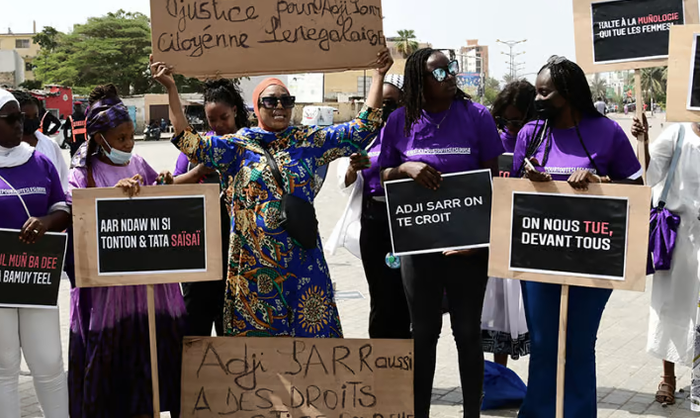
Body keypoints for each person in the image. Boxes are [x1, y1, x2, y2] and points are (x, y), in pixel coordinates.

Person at [152, 49, 390, 337]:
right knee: (257, 356)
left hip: (303, 263)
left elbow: (362, 129)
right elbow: (187, 141)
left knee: (311, 347)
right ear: (256, 108)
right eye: (270, 100)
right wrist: (171, 88)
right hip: (253, 269)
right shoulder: (237, 146)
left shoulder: (308, 140)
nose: (279, 106)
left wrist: (379, 75)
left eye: (286, 100)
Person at [513, 56, 643, 418]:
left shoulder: (607, 132)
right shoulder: (530, 134)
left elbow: (636, 189)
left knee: (578, 345)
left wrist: (598, 182)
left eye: (544, 93)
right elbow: (511, 194)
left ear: (567, 94)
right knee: (544, 344)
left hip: (593, 257)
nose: (537, 100)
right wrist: (529, 180)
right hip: (539, 256)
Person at [380, 49, 504, 418]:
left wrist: (477, 241)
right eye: (439, 73)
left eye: (452, 69)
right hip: (418, 247)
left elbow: (491, 181)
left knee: (467, 335)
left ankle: (471, 415)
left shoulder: (477, 116)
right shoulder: (400, 121)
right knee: (424, 333)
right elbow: (382, 176)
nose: (450, 76)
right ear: (420, 81)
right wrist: (406, 167)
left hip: (467, 249)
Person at [66, 84, 184, 418]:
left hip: (148, 286)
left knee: (151, 365)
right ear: (98, 138)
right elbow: (77, 216)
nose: (129, 145)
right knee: (111, 370)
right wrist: (111, 196)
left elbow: (160, 202)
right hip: (107, 293)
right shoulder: (82, 174)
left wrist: (162, 183)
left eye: (132, 136)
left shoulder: (140, 162)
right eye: (121, 139)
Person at [0, 88, 70, 418]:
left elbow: (63, 208)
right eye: (12, 118)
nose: (22, 124)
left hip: (36, 278)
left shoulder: (39, 159)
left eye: (24, 118)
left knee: (49, 362)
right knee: (4, 368)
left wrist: (45, 222)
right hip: (0, 284)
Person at [327, 74, 411, 339]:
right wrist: (352, 168)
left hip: (409, 222)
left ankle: (409, 363)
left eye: (392, 102)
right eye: (381, 103)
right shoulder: (366, 136)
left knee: (407, 294)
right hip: (373, 224)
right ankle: (381, 361)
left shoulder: (414, 133)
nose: (385, 109)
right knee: (381, 295)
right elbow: (345, 181)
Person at [173, 79, 250, 337]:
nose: (217, 126)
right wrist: (198, 172)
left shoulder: (250, 144)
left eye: (223, 118)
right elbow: (173, 186)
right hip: (199, 251)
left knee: (233, 332)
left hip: (240, 252)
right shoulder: (198, 148)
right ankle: (195, 378)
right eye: (211, 120)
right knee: (195, 327)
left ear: (236, 111)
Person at [632, 115, 700, 407]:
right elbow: (649, 174)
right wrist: (643, 141)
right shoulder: (679, 134)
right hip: (678, 237)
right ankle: (667, 377)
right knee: (670, 305)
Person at [482, 80, 536, 367]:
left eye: (518, 121)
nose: (511, 128)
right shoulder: (489, 141)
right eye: (505, 120)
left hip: (529, 239)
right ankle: (498, 374)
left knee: (533, 311)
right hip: (494, 237)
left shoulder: (543, 141)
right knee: (497, 310)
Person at [14, 91, 69, 191]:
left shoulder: (50, 145)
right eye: (26, 117)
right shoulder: (6, 147)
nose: (32, 120)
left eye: (35, 116)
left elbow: (63, 181)